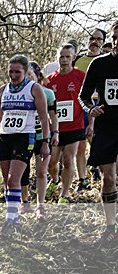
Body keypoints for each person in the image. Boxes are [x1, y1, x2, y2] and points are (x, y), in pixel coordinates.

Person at [0, 54, 51, 238]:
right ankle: (13, 216)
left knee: (13, 179)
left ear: (25, 71)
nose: (13, 76)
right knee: (7, 182)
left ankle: (9, 221)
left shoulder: (34, 88)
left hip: (25, 137)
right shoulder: (3, 89)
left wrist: (45, 142)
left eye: (17, 72)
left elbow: (44, 117)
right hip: (5, 138)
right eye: (11, 72)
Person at [79, 21, 118, 246]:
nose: (117, 41)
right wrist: (90, 109)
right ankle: (110, 227)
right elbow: (83, 97)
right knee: (109, 178)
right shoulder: (99, 64)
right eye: (115, 37)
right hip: (106, 127)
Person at [46, 46, 89, 203]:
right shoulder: (49, 80)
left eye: (67, 57)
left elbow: (89, 98)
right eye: (61, 57)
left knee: (69, 160)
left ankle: (64, 194)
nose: (64, 60)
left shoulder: (80, 76)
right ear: (57, 58)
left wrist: (90, 122)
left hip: (75, 124)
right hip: (55, 127)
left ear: (73, 58)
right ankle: (55, 179)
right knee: (52, 162)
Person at [25, 62, 58, 217]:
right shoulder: (18, 94)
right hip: (24, 137)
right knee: (23, 172)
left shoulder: (48, 93)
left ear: (37, 76)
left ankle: (40, 205)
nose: (27, 78)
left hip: (42, 137)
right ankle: (25, 201)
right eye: (25, 75)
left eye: (30, 74)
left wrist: (55, 133)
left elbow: (53, 115)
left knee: (41, 172)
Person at [75, 28, 107, 183]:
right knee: (80, 144)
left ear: (103, 42)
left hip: (100, 106)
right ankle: (82, 179)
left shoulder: (105, 61)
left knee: (96, 140)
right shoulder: (77, 60)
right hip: (80, 105)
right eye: (92, 38)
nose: (94, 42)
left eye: (99, 39)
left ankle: (101, 171)